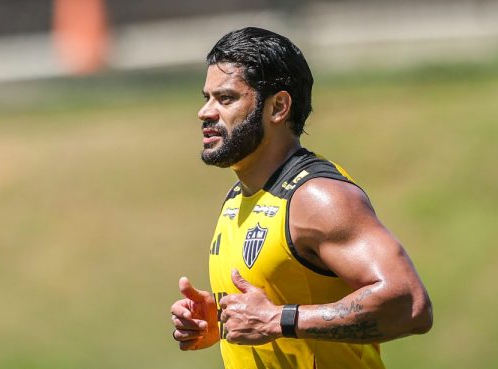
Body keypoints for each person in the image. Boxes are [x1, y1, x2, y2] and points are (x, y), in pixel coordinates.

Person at [170, 27, 433, 369]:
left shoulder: (317, 197)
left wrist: (279, 319)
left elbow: (410, 305)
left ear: (278, 107)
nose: (205, 112)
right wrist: (218, 319)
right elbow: (276, 304)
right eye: (207, 97)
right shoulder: (237, 198)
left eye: (226, 98)